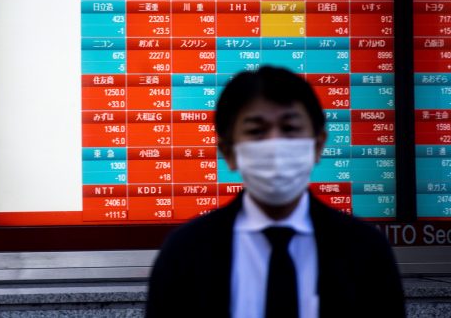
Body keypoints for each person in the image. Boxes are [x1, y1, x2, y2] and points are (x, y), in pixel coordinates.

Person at [146, 66, 404, 318]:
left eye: (290, 128)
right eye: (256, 131)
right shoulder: (184, 254)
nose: (275, 144)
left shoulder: (366, 250)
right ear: (228, 152)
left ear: (318, 145)